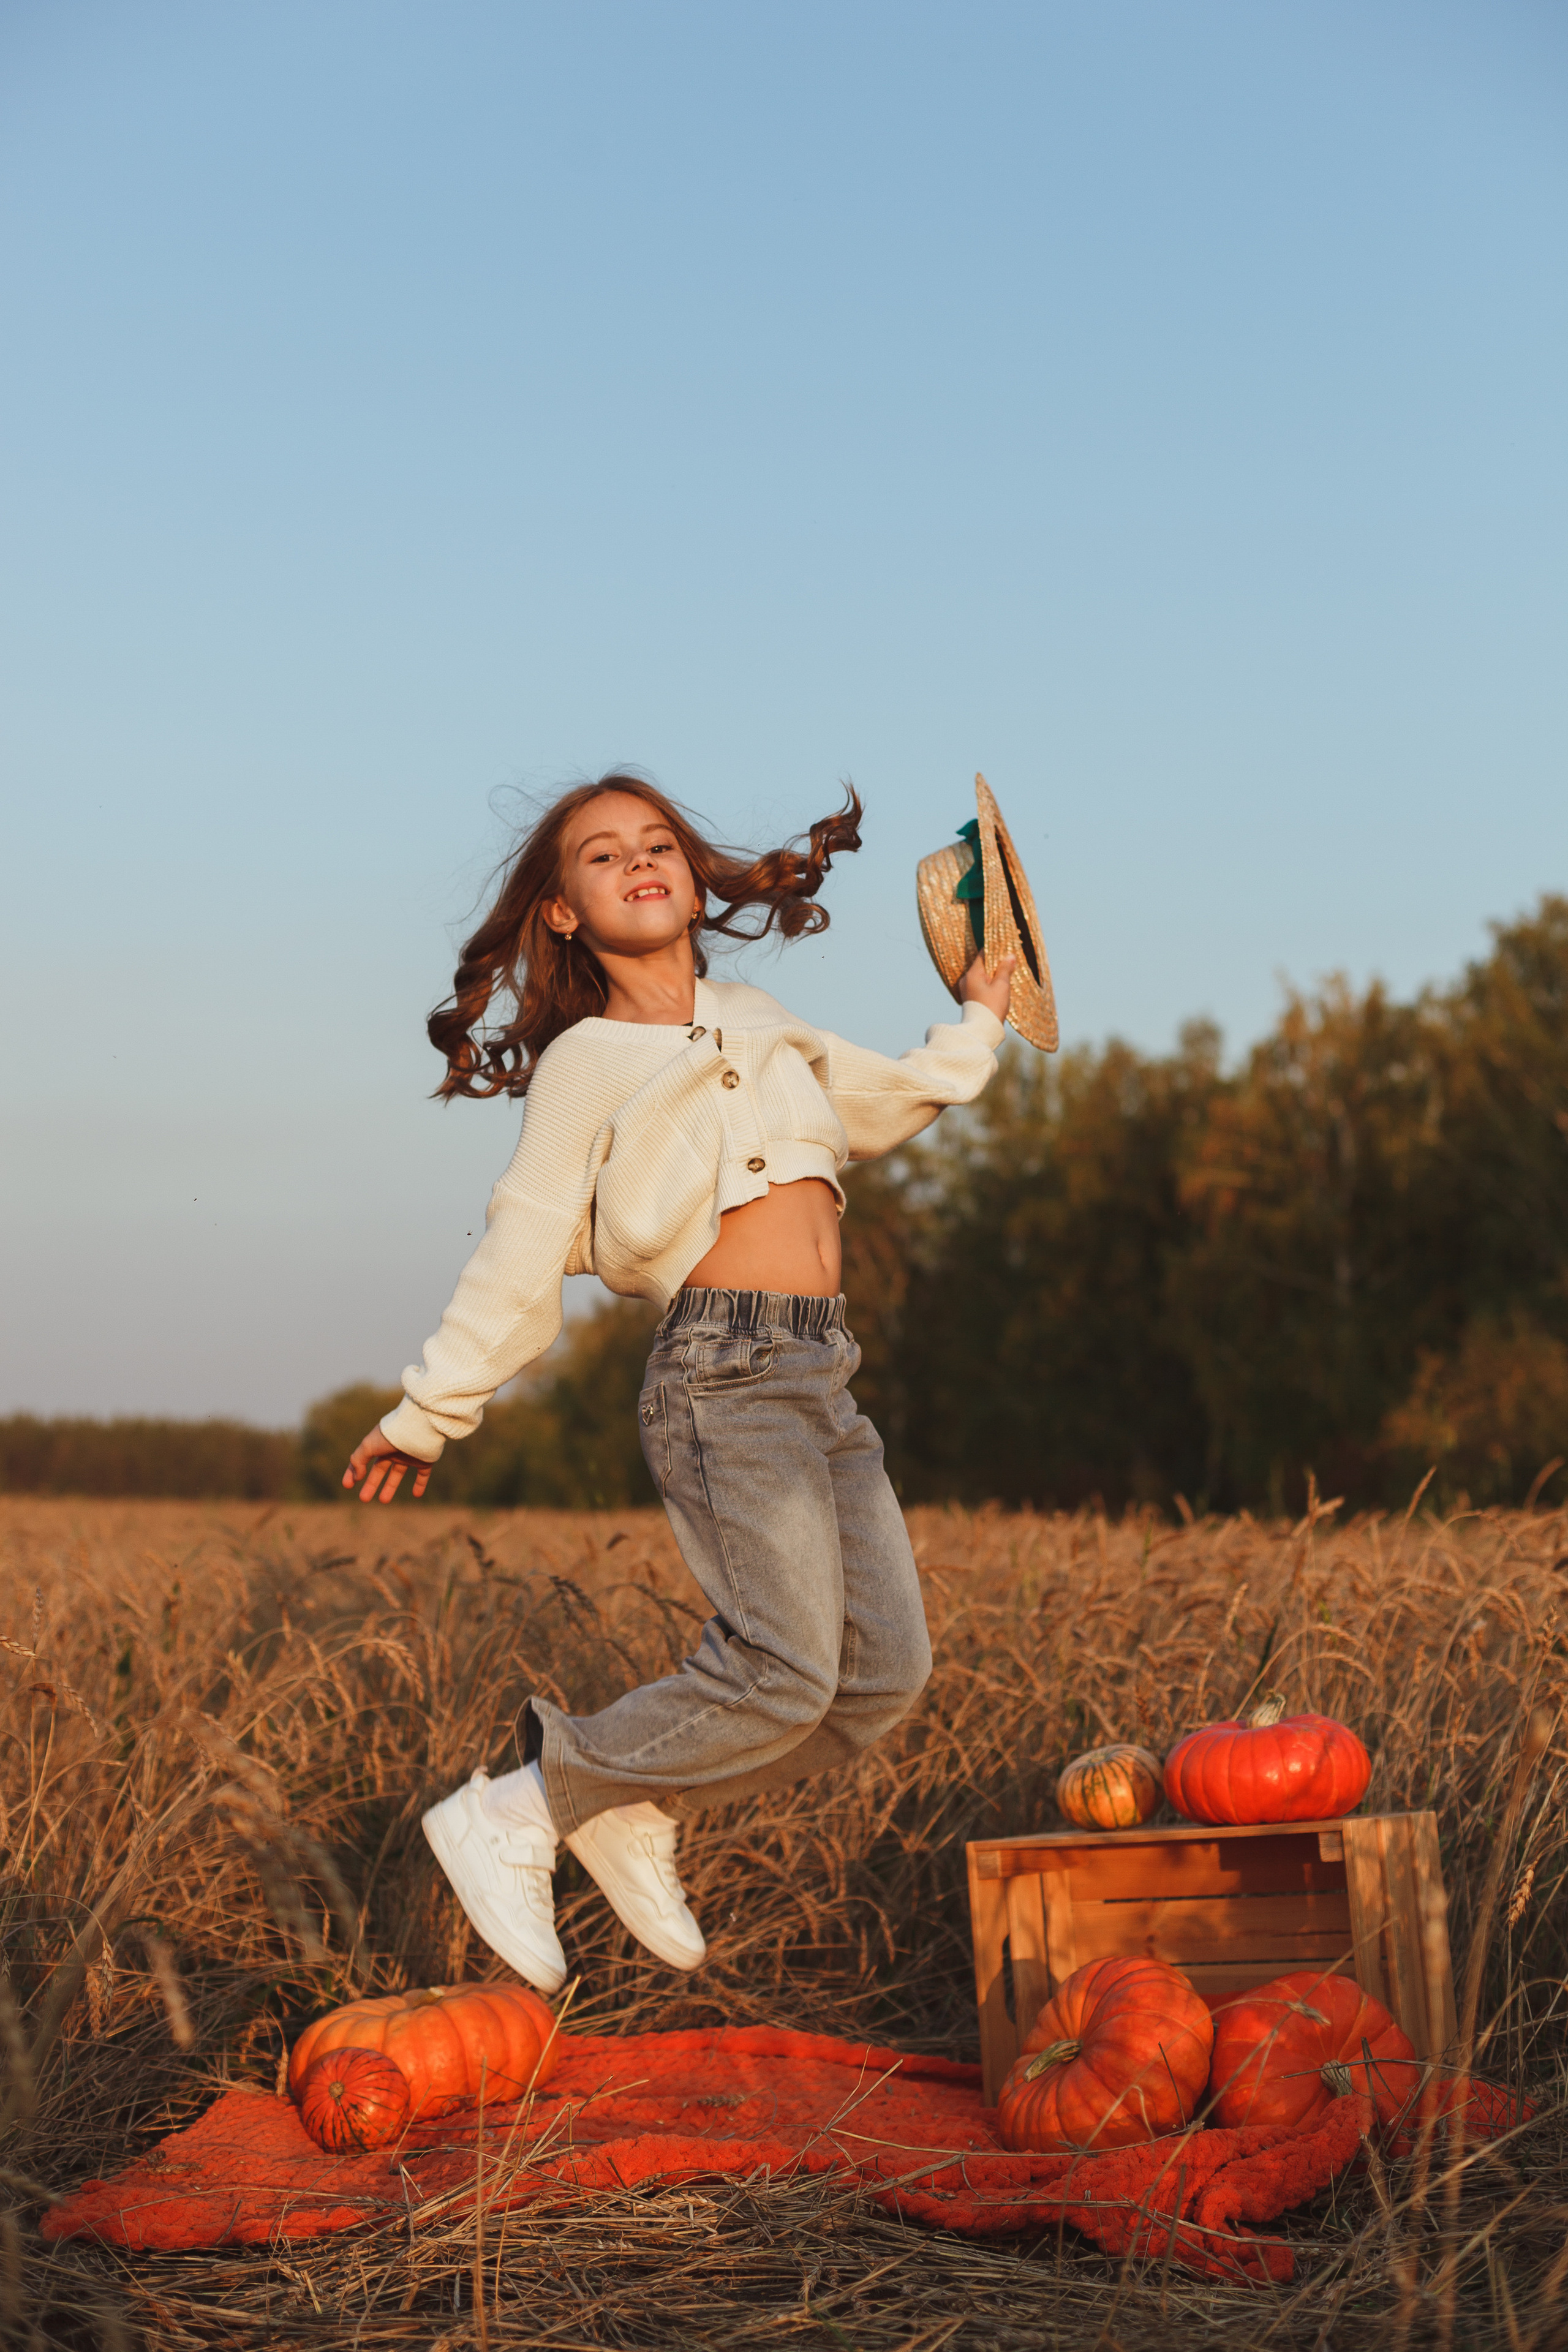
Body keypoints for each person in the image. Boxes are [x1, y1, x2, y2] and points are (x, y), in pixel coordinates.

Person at [344, 772, 1014, 1993]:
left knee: (874, 1680)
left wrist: (972, 1021)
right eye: (602, 857)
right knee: (782, 1667)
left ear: (697, 877)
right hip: (724, 1373)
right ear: (560, 912)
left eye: (659, 844)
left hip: (822, 1375)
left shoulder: (757, 1018)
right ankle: (522, 1807)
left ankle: (622, 1803)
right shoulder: (588, 1061)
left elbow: (876, 1099)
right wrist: (431, 1410)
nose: (639, 862)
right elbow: (522, 1239)